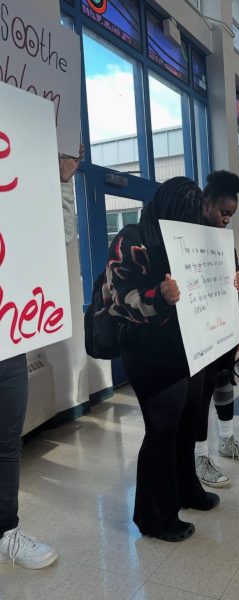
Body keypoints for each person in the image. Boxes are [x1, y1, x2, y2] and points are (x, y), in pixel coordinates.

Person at [107, 176, 225, 543]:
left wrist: (228, 283)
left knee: (188, 424)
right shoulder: (133, 238)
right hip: (150, 351)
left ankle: (186, 491)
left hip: (190, 346)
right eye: (185, 214)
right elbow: (117, 298)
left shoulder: (190, 238)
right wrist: (158, 294)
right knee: (162, 431)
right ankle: (153, 516)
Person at [0, 147, 83, 569]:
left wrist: (64, 182)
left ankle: (5, 531)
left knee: (6, 442)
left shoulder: (11, 195)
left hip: (6, 343)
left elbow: (57, 237)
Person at [194, 171, 239, 489]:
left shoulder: (223, 239)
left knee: (223, 380)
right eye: (224, 213)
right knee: (200, 392)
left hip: (223, 323)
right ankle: (199, 455)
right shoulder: (186, 233)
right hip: (197, 329)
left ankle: (227, 440)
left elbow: (236, 275)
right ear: (206, 203)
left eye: (231, 215)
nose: (227, 220)